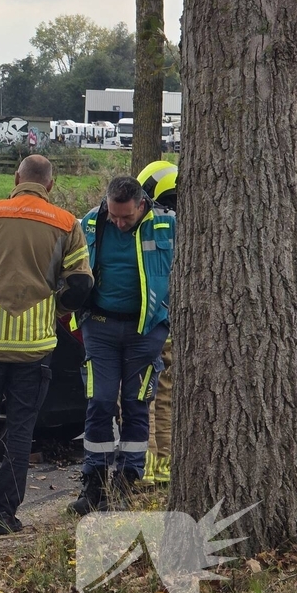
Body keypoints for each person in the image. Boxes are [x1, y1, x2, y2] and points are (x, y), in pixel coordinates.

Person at [0, 155, 92, 536]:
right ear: (49, 184)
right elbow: (80, 285)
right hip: (35, 344)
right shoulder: (66, 224)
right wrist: (51, 308)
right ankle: (6, 516)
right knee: (21, 432)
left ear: (16, 178)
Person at [68, 174, 174, 515]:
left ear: (141, 205)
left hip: (146, 331)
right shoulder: (90, 224)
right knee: (99, 401)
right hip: (99, 326)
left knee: (136, 403)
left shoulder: (166, 225)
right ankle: (94, 483)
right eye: (114, 215)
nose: (119, 222)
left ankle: (128, 482)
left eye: (125, 217)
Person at [138, 161, 178, 488]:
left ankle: (147, 469)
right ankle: (163, 466)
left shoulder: (151, 229)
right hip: (176, 326)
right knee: (165, 396)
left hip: (153, 324)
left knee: (144, 397)